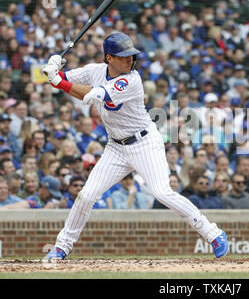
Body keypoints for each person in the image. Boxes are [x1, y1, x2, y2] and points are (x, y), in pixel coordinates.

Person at [41, 32, 228, 259]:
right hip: (116, 147)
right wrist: (53, 68)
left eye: (131, 55)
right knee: (87, 195)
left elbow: (91, 96)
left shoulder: (132, 80)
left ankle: (213, 233)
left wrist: (58, 81)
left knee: (162, 192)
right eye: (123, 56)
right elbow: (63, 77)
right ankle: (62, 246)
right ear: (109, 58)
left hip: (144, 143)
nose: (130, 60)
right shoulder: (95, 70)